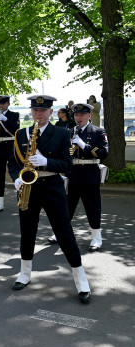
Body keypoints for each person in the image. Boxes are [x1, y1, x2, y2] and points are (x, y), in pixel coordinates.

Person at [8, 95, 91, 304]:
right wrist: (17, 178)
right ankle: (24, 273)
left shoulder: (62, 134)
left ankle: (81, 280)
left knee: (64, 233)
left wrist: (47, 161)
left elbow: (67, 164)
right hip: (28, 187)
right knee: (27, 232)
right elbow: (12, 163)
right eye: (35, 111)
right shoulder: (21, 134)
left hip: (52, 187)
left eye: (43, 111)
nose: (38, 114)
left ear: (51, 112)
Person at [48, 103, 108, 252]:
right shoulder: (69, 132)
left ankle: (96, 237)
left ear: (89, 115)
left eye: (81, 115)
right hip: (73, 173)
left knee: (92, 207)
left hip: (89, 174)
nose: (78, 117)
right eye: (76, 115)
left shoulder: (98, 132)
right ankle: (60, 233)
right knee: (66, 206)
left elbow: (103, 153)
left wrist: (83, 145)